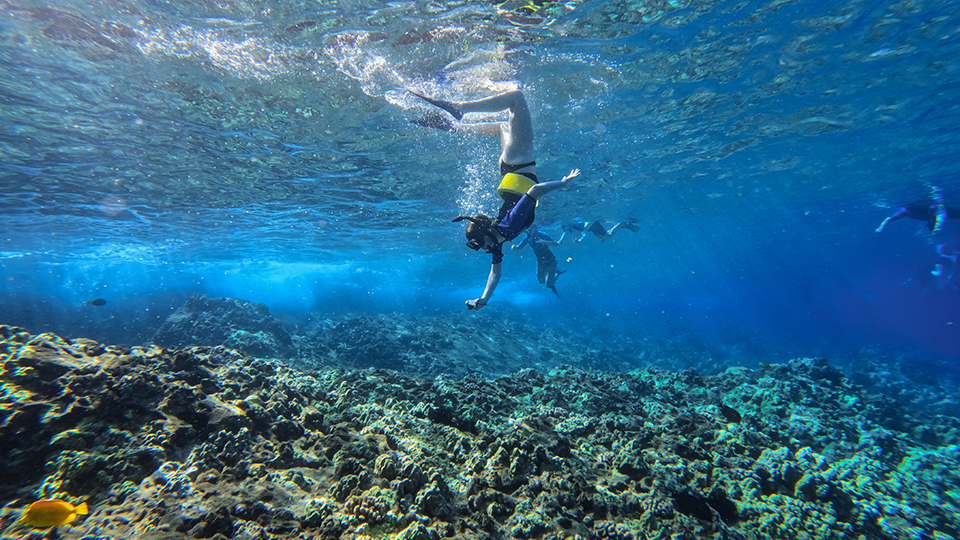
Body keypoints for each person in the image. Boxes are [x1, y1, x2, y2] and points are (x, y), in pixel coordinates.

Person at [410, 89, 580, 309]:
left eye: (479, 244)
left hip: (520, 160)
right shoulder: (497, 240)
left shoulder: (508, 227)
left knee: (516, 98)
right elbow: (495, 273)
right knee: (503, 126)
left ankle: (460, 108)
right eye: (479, 246)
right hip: (509, 166)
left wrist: (563, 184)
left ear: (487, 235)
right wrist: (483, 300)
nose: (482, 249)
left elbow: (536, 190)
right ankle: (453, 126)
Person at [512, 226, 565, 296]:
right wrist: (514, 247)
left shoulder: (542, 235)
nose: (536, 231)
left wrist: (544, 241)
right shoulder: (527, 238)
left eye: (536, 229)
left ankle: (557, 274)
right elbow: (519, 247)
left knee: (548, 285)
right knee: (541, 281)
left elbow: (556, 243)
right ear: (529, 231)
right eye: (534, 230)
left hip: (551, 261)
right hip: (541, 262)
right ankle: (556, 274)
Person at [876, 192, 960, 234]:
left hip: (939, 213)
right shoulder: (906, 210)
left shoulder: (934, 207)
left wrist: (938, 227)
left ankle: (935, 227)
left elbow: (941, 214)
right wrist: (881, 227)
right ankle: (935, 228)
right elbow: (890, 219)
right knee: (932, 226)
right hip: (932, 217)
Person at [559, 219, 639, 243]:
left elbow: (585, 234)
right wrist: (560, 240)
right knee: (603, 239)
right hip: (592, 227)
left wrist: (579, 240)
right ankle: (622, 225)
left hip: (593, 226)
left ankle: (620, 225)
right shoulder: (574, 226)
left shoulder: (576, 227)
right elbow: (564, 233)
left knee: (608, 236)